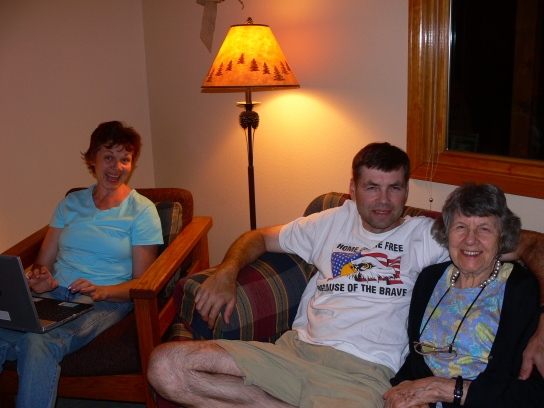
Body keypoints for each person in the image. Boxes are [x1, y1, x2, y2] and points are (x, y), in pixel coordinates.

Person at [147, 142, 544, 407]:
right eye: (372, 187)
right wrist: (227, 271)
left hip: (364, 373)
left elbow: (530, 246)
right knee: (166, 367)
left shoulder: (432, 235)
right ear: (352, 188)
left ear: (407, 191)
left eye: (394, 188)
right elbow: (259, 237)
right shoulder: (328, 221)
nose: (383, 201)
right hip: (293, 352)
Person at [0, 121, 163, 408]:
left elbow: (142, 283)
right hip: (55, 295)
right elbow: (42, 263)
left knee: (38, 341)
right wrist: (40, 279)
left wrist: (103, 290)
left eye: (125, 159)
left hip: (105, 300)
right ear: (92, 160)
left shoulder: (142, 211)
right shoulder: (70, 203)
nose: (116, 167)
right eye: (108, 157)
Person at [383, 183, 544, 408]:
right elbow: (415, 362)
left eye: (484, 229)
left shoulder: (522, 290)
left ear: (503, 235)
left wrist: (446, 390)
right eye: (460, 227)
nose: (470, 239)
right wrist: (400, 392)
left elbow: (535, 395)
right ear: (446, 232)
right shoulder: (429, 279)